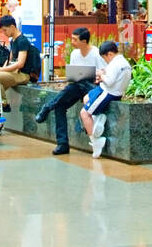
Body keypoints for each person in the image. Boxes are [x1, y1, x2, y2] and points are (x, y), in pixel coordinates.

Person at [34, 26, 104, 155]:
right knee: (60, 105)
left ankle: (47, 107)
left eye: (75, 39)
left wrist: (93, 76)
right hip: (77, 87)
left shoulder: (96, 53)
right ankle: (62, 144)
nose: (72, 42)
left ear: (84, 41)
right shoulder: (74, 54)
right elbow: (74, 75)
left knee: (81, 83)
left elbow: (103, 74)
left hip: (92, 88)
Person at [79, 40, 132, 158]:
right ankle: (97, 119)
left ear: (109, 54)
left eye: (104, 58)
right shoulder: (124, 62)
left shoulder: (115, 64)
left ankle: (96, 142)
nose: (105, 61)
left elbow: (109, 81)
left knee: (84, 114)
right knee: (86, 98)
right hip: (109, 91)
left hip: (106, 93)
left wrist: (101, 75)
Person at [0, 16, 40, 110]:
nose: (4, 33)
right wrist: (0, 70)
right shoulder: (13, 40)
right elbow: (9, 59)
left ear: (12, 27)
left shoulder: (22, 41)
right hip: (15, 73)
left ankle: (4, 103)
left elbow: (20, 63)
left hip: (23, 75)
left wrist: (1, 70)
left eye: (5, 30)